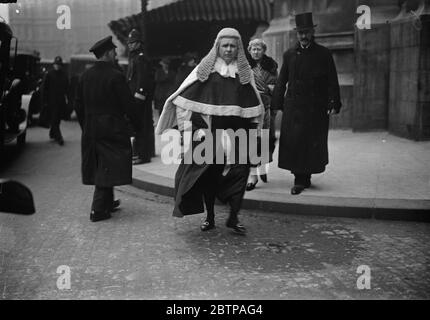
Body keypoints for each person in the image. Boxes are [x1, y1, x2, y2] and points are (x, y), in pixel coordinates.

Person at [156, 28, 264, 235]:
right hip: (211, 133)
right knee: (209, 177)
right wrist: (194, 131)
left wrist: (255, 132)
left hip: (238, 133)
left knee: (241, 174)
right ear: (218, 47)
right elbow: (185, 102)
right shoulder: (203, 71)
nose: (229, 49)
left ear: (239, 48)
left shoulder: (245, 73)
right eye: (225, 45)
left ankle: (233, 217)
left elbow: (255, 107)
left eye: (233, 46)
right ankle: (210, 217)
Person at [271, 12, 342, 195]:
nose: (303, 36)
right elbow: (281, 81)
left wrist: (334, 102)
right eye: (300, 32)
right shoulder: (289, 55)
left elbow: (332, 80)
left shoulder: (323, 54)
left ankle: (305, 176)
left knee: (311, 142)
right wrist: (276, 104)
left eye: (306, 32)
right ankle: (299, 179)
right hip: (294, 107)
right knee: (295, 141)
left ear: (312, 32)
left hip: (315, 107)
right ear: (297, 34)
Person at [74, 36, 141, 222]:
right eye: (113, 51)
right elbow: (128, 104)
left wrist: (85, 124)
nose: (115, 53)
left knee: (103, 164)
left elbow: (78, 104)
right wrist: (137, 124)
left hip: (91, 127)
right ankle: (97, 210)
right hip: (112, 127)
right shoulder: (115, 75)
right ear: (108, 53)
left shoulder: (85, 75)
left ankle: (108, 203)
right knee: (108, 164)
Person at [245, 38, 278, 191]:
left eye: (259, 49)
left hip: (266, 105)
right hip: (249, 106)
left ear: (264, 50)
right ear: (249, 50)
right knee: (251, 140)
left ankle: (263, 167)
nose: (256, 51)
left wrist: (268, 90)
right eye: (253, 49)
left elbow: (274, 86)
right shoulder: (244, 66)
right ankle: (253, 175)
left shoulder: (270, 65)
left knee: (265, 139)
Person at [126, 29, 156, 165]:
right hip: (137, 97)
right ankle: (143, 152)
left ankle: (143, 155)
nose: (130, 45)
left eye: (133, 43)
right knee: (141, 125)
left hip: (140, 98)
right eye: (129, 43)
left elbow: (143, 79)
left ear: (139, 43)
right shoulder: (135, 57)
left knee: (142, 126)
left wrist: (139, 97)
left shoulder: (140, 58)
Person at [41, 56, 69, 145]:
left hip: (60, 101)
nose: (57, 66)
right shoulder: (49, 74)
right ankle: (59, 137)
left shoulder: (64, 75)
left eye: (59, 64)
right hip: (51, 101)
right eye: (56, 64)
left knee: (57, 119)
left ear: (61, 66)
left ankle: (52, 133)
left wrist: (67, 99)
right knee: (54, 119)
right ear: (53, 65)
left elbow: (67, 88)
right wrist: (45, 101)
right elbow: (45, 88)